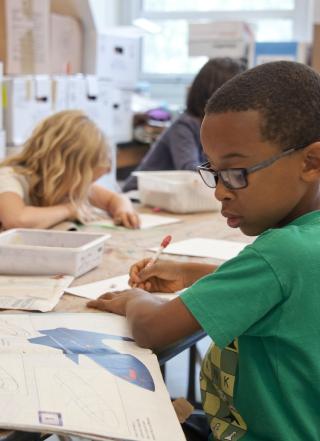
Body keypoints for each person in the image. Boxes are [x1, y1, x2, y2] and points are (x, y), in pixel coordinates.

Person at [88, 60, 320, 440]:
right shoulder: (305, 246)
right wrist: (191, 272)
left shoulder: (279, 253)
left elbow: (153, 330)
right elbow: (287, 293)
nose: (219, 191)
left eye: (235, 173)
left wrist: (131, 300)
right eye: (213, 172)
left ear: (310, 162)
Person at [0, 110, 139, 229]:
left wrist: (123, 210)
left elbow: (114, 199)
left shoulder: (66, 186)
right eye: (87, 180)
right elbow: (16, 219)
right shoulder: (9, 177)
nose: (86, 187)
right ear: (65, 170)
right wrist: (68, 210)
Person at [122, 57, 245, 192]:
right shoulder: (184, 126)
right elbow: (189, 171)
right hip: (138, 195)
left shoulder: (219, 128)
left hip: (178, 198)